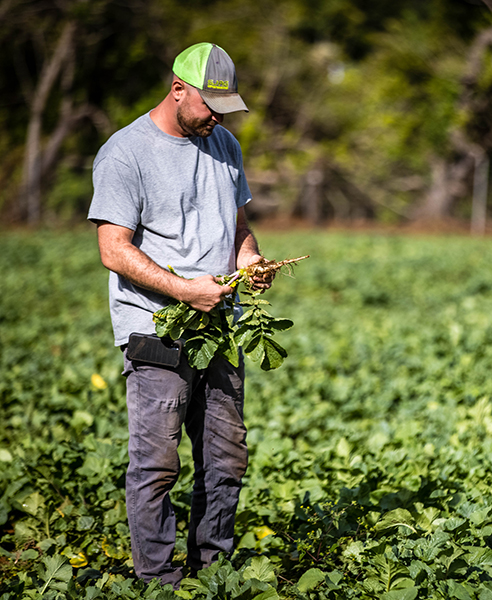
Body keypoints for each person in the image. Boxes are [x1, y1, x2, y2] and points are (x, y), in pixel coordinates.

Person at [87, 42, 271, 587]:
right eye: (210, 105)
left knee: (225, 460)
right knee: (157, 465)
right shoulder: (125, 153)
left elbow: (238, 230)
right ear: (178, 90)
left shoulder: (225, 144)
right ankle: (158, 581)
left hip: (219, 327)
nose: (217, 117)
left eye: (225, 108)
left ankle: (211, 571)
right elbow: (113, 249)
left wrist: (251, 260)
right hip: (155, 330)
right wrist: (184, 291)